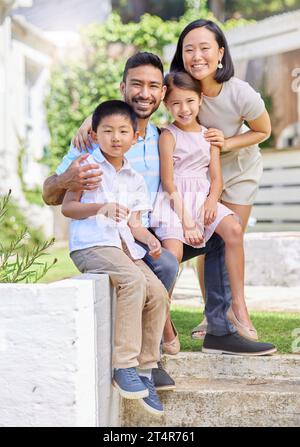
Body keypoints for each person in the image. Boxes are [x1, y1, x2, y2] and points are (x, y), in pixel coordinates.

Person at [43, 51, 276, 361]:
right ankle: (155, 345)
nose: (144, 93)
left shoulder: (163, 136)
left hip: (159, 225)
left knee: (221, 235)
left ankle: (219, 331)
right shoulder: (100, 137)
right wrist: (67, 179)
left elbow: (193, 114)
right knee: (166, 261)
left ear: (162, 93)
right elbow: (50, 194)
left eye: (153, 86)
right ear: (122, 88)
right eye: (136, 84)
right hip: (120, 238)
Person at [61, 99, 168, 416]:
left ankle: (146, 371)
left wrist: (148, 238)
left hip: (122, 246)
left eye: (123, 131)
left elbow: (133, 223)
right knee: (133, 281)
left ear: (135, 137)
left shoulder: (135, 179)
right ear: (94, 134)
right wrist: (100, 208)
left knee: (159, 293)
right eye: (107, 130)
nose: (116, 137)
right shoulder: (85, 167)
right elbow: (68, 207)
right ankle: (124, 366)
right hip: (91, 244)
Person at [170, 19, 272, 339]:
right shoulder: (182, 87)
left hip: (239, 169)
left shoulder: (241, 93)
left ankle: (238, 310)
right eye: (189, 49)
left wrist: (226, 142)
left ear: (220, 53)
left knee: (232, 234)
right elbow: (139, 97)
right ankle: (211, 312)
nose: (196, 56)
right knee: (210, 238)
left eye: (204, 48)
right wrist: (94, 118)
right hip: (201, 173)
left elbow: (263, 131)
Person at [151, 71, 257, 342]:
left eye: (189, 101)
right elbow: (168, 182)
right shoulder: (168, 136)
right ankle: (163, 319)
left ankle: (237, 306)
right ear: (166, 105)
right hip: (175, 203)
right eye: (175, 103)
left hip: (202, 197)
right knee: (172, 255)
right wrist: (186, 220)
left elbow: (217, 177)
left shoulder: (209, 135)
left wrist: (212, 200)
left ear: (200, 99)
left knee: (233, 228)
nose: (183, 109)